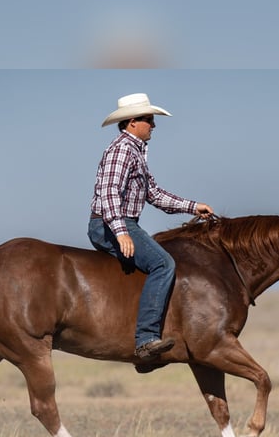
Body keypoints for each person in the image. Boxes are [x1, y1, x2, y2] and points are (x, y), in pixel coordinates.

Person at [88, 93, 214, 361]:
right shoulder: (123, 149)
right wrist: (120, 231)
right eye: (149, 120)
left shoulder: (135, 151)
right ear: (132, 122)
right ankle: (146, 340)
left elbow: (154, 194)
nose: (153, 126)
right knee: (163, 264)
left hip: (119, 221)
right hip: (110, 223)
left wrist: (192, 207)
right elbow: (109, 192)